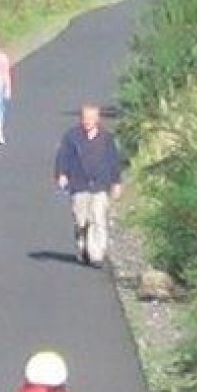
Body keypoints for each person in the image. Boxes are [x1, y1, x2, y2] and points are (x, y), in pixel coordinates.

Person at [53, 103, 125, 268]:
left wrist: (116, 182)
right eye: (85, 118)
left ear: (97, 119)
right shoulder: (72, 136)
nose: (87, 121)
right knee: (81, 220)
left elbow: (114, 161)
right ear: (81, 118)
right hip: (79, 184)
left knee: (98, 218)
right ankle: (83, 247)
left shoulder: (107, 138)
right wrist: (62, 174)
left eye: (91, 118)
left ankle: (97, 254)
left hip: (100, 183)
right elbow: (62, 156)